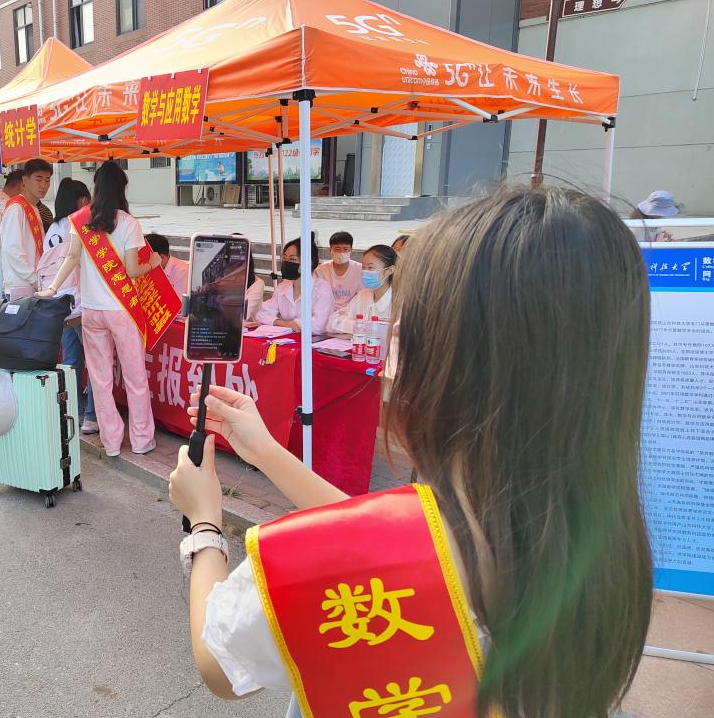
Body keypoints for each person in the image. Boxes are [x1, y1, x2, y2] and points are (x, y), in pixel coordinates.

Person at [168, 186, 652, 718]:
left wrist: (204, 525)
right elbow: (392, 537)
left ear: (447, 364)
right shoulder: (604, 543)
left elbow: (219, 663)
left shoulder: (325, 563)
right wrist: (267, 452)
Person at [38, 161, 161, 457]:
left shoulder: (79, 220)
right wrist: (153, 263)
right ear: (122, 188)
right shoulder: (129, 223)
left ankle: (111, 442)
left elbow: (70, 258)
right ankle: (141, 440)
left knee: (100, 379)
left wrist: (52, 288)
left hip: (91, 311)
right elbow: (132, 271)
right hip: (121, 311)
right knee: (135, 377)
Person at [39, 177, 97, 433]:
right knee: (95, 362)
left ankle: (74, 409)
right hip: (81, 304)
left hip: (59, 305)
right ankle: (92, 416)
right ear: (82, 201)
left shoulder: (52, 229)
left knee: (71, 360)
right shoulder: (80, 225)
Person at [255, 237, 333, 334]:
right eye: (284, 258)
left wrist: (294, 324)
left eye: (292, 259)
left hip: (313, 341)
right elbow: (261, 315)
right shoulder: (283, 287)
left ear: (308, 262)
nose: (286, 262)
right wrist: (284, 323)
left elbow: (318, 325)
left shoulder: (322, 289)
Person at [1, 159, 52, 298]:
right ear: (25, 180)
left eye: (47, 180)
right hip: (21, 286)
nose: (43, 185)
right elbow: (11, 250)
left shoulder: (33, 207)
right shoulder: (16, 209)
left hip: (33, 284)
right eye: (38, 180)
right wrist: (34, 278)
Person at [327, 244, 396, 335]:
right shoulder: (362, 295)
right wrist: (358, 327)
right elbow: (333, 323)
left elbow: (393, 332)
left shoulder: (398, 300)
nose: (365, 272)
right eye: (363, 267)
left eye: (370, 268)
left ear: (389, 270)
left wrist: (356, 330)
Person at [314, 230, 362, 310]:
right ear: (330, 250)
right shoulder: (321, 271)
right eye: (337, 249)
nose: (341, 253)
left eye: (345, 249)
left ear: (351, 250)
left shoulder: (360, 269)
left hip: (351, 311)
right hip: (327, 310)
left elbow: (361, 296)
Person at [145, 233, 189, 298]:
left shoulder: (182, 272)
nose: (145, 264)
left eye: (147, 260)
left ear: (161, 257)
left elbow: (177, 302)